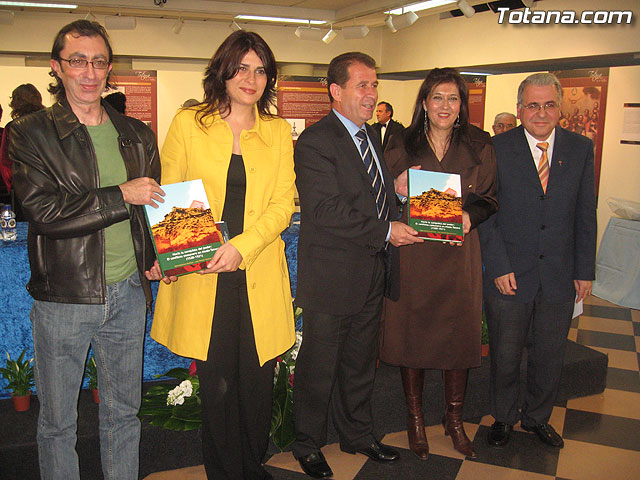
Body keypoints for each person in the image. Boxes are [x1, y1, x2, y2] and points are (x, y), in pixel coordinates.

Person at [9, 20, 162, 480]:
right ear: (57, 67)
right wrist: (122, 195)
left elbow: (151, 205)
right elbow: (46, 214)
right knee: (58, 423)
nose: (89, 72)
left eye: (98, 61)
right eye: (77, 61)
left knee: (124, 415)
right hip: (65, 298)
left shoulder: (136, 133)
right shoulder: (31, 133)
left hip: (129, 293)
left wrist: (158, 253)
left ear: (109, 67)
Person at [150, 30, 296, 480]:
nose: (251, 78)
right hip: (203, 273)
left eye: (260, 70)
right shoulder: (189, 123)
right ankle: (224, 470)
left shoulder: (275, 132)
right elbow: (167, 193)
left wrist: (241, 248)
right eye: (242, 67)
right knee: (217, 384)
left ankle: (251, 466)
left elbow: (283, 205)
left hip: (255, 272)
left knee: (256, 381)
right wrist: (169, 253)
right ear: (223, 70)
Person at [292, 51, 422, 479]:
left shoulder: (371, 139)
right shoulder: (315, 141)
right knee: (319, 366)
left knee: (361, 363)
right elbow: (327, 210)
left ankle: (357, 434)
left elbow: (368, 198)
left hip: (371, 273)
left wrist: (399, 194)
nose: (372, 95)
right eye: (363, 86)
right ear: (336, 91)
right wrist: (387, 230)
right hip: (332, 278)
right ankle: (307, 444)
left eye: (375, 86)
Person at [380, 68, 498, 460]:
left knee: (457, 333)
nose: (445, 106)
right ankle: (415, 421)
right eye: (437, 98)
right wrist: (396, 188)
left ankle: (454, 420)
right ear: (424, 103)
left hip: (458, 254)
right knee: (411, 332)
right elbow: (380, 193)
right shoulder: (400, 140)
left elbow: (489, 197)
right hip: (414, 253)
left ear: (462, 104)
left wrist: (471, 216)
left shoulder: (480, 143)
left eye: (452, 98)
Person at [479, 73, 596, 449]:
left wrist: (584, 270)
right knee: (505, 353)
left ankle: (537, 418)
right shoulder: (496, 148)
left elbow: (585, 213)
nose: (540, 113)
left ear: (559, 108)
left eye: (548, 104)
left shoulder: (580, 148)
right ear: (519, 109)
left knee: (550, 354)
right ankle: (503, 417)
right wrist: (497, 266)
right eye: (532, 105)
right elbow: (486, 213)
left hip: (560, 275)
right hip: (509, 273)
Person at [1, 83, 46, 193]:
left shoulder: (13, 128)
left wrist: (10, 186)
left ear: (15, 103)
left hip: (23, 187)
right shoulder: (50, 123)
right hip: (49, 184)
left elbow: (5, 162)